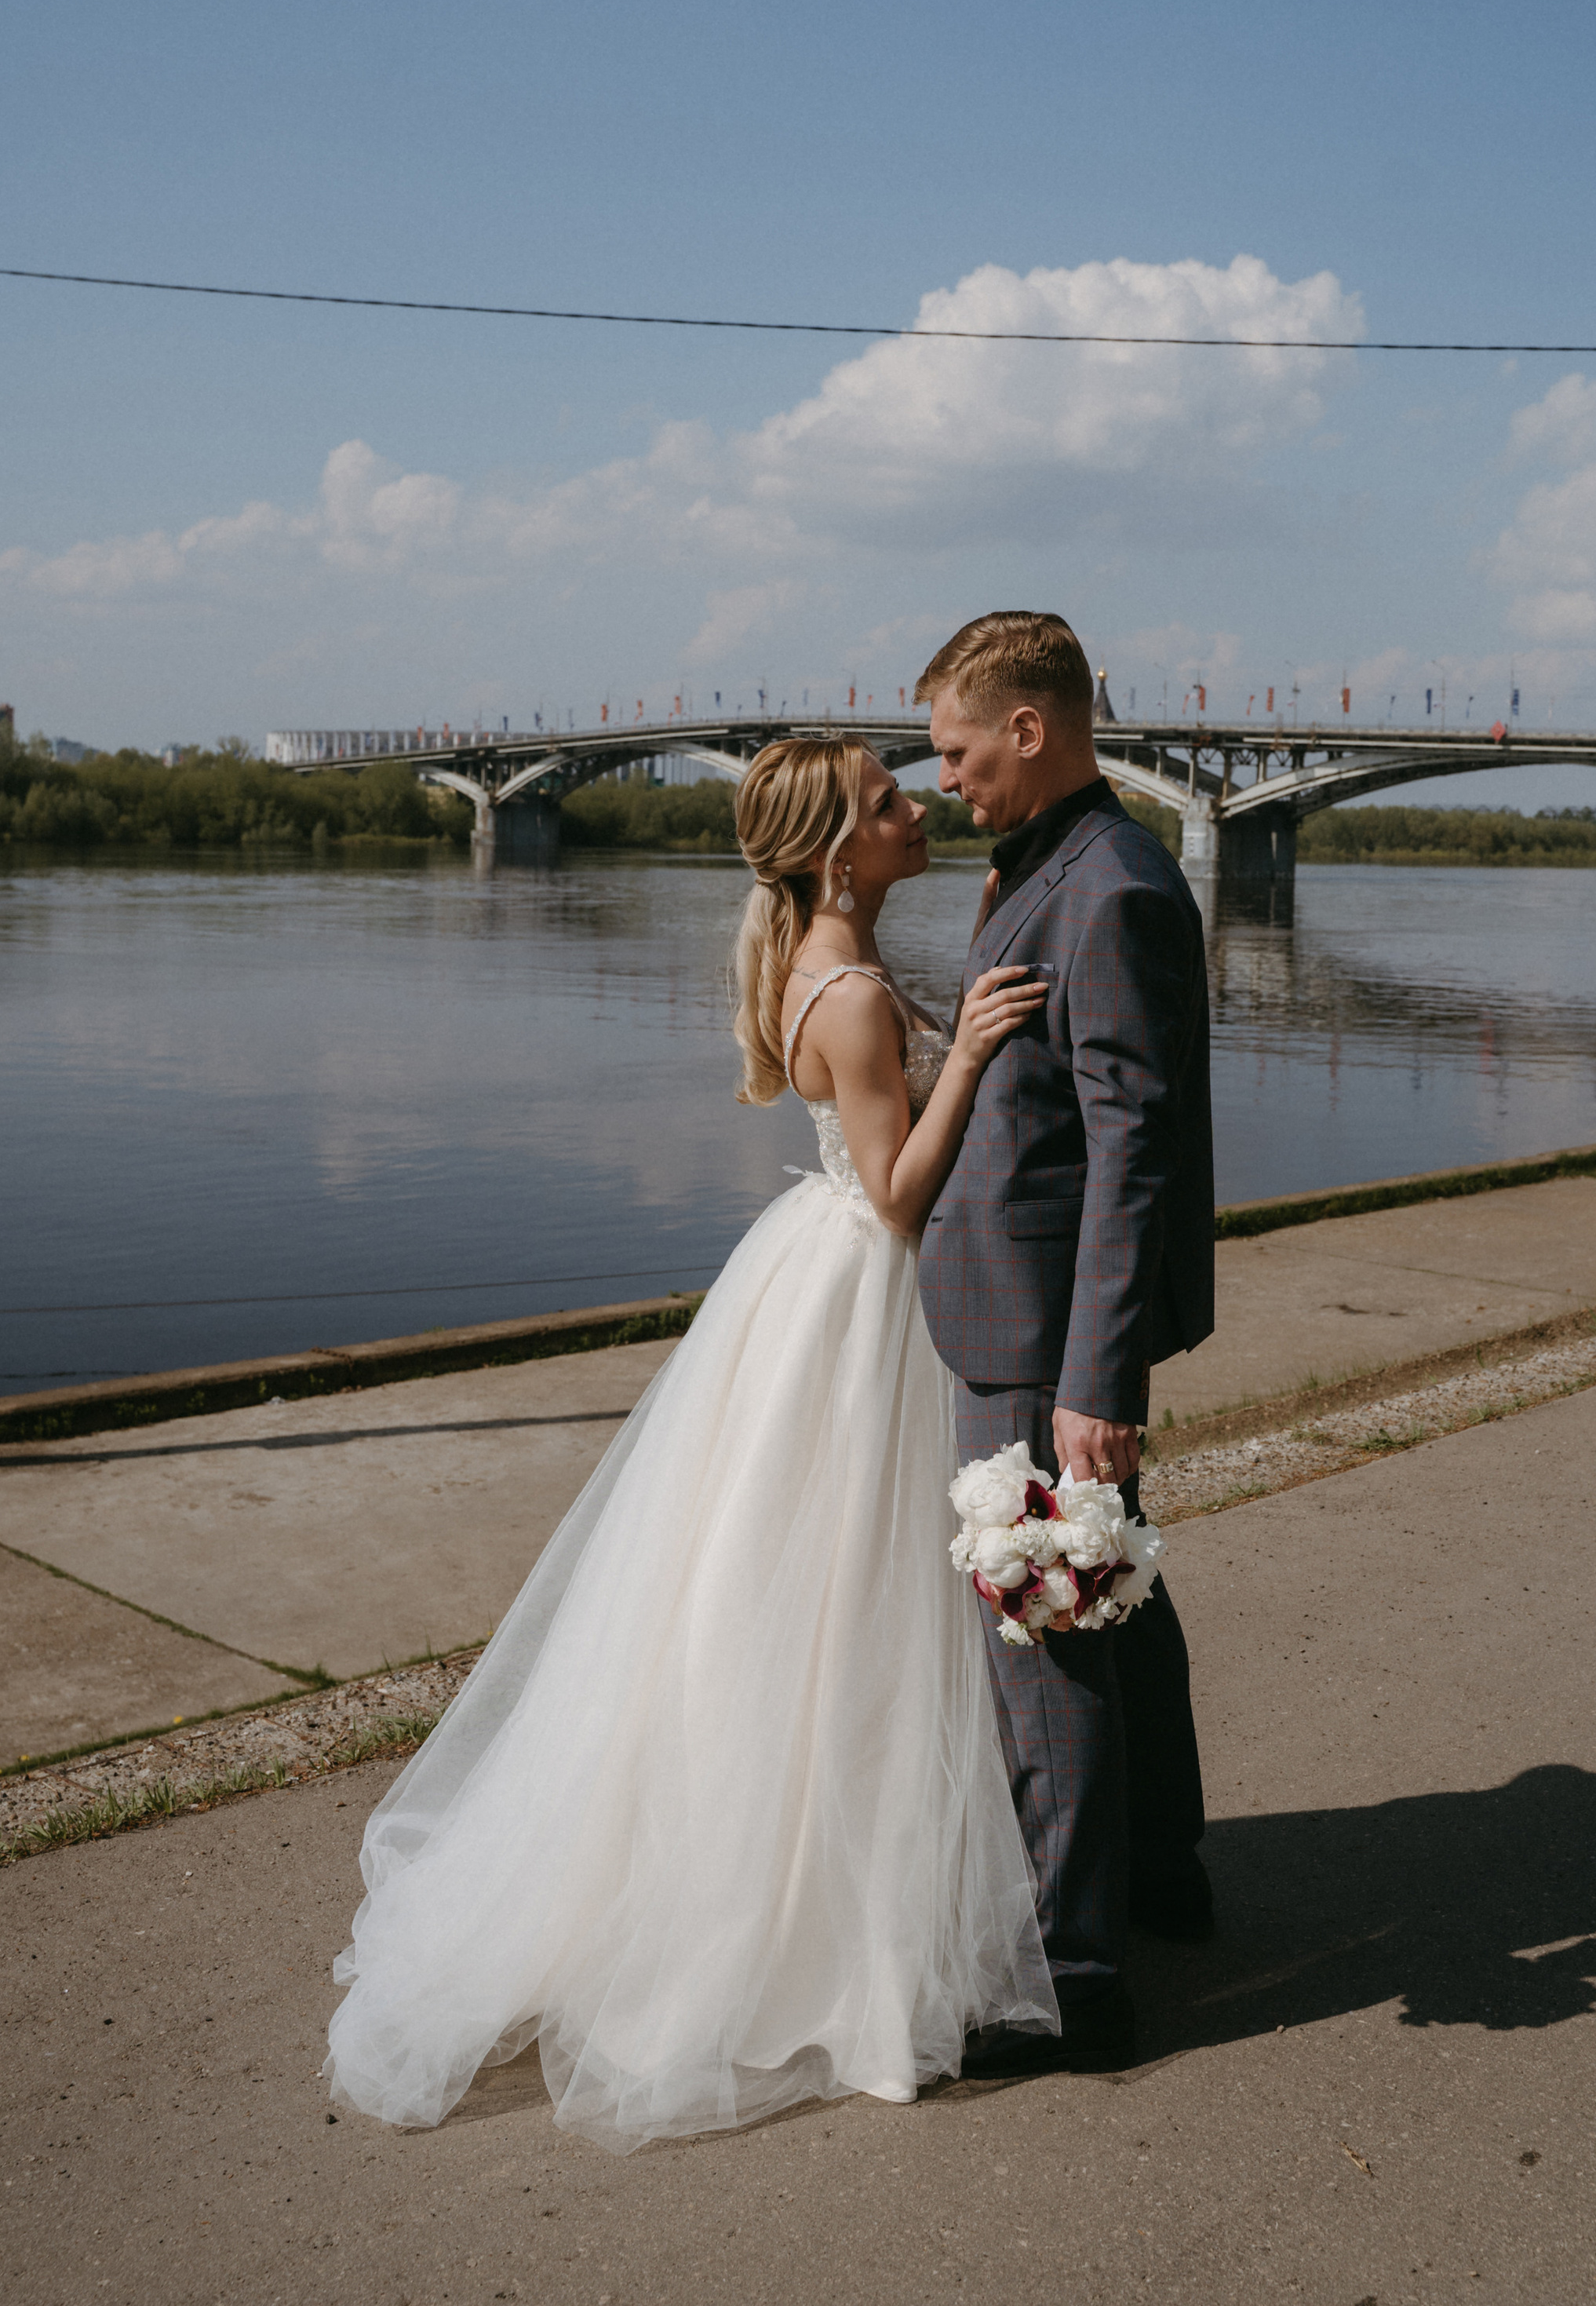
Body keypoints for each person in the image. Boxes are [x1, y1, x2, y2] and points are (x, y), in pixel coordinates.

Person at [326, 735, 1053, 2151]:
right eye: (890, 803)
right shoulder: (844, 992)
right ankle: (822, 1931)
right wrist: (965, 1052)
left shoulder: (825, 958)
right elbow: (901, 1197)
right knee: (841, 1605)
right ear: (840, 851)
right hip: (856, 1292)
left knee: (800, 1601)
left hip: (814, 1281)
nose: (920, 809)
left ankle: (837, 1891)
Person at [916, 611, 1216, 2079]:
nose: (948, 778)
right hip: (1032, 1313)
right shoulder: (1057, 861)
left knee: (1046, 1647)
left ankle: (1073, 1983)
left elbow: (1130, 1147)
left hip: (1042, 1335)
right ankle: (1161, 1873)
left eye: (961, 750)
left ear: (1030, 727)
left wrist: (1099, 1378)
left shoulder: (1107, 891)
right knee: (1114, 1608)